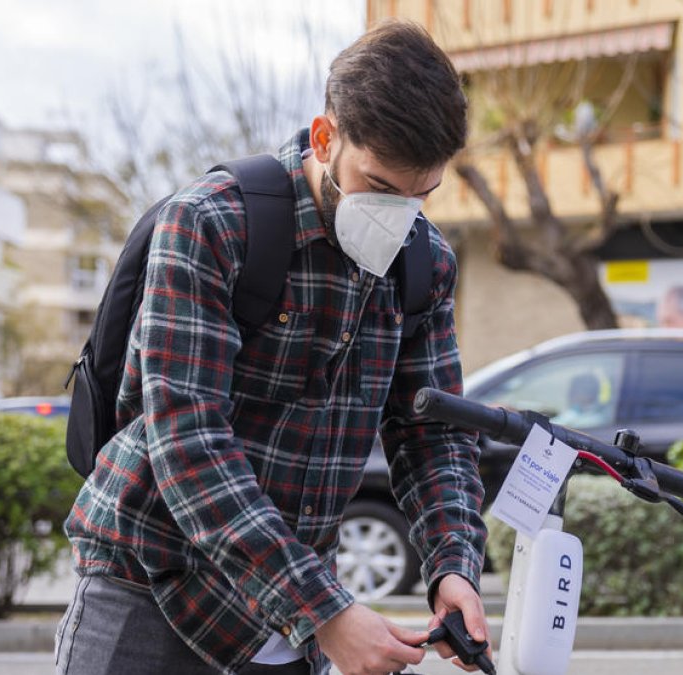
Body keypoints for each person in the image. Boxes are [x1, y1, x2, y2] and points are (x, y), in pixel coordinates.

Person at [54, 21, 488, 675]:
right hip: (151, 584)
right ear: (325, 137)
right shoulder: (210, 223)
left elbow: (434, 435)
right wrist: (327, 612)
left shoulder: (424, 263)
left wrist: (453, 565)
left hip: (286, 618)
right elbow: (188, 440)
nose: (400, 217)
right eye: (379, 186)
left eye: (421, 195)